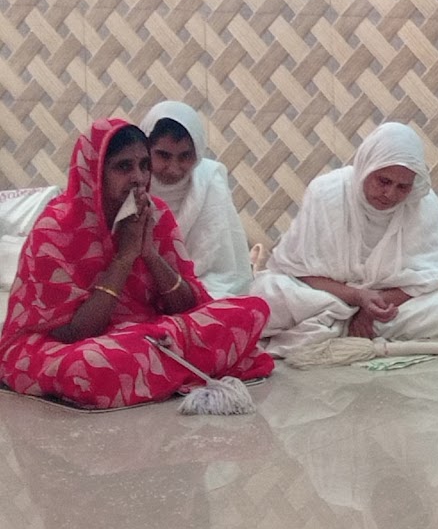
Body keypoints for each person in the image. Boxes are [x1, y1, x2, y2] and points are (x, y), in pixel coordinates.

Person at [0, 119, 274, 408]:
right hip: (73, 345)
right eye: (123, 167)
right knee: (91, 365)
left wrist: (150, 254)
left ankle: (156, 371)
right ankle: (175, 367)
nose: (138, 178)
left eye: (144, 165)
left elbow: (189, 307)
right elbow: (73, 333)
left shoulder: (156, 215)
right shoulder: (57, 227)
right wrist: (125, 256)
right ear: (94, 172)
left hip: (149, 335)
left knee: (251, 310)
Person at [251, 122, 438, 355]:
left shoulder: (421, 203)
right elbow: (298, 269)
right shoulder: (327, 192)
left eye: (402, 187)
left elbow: (437, 276)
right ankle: (352, 327)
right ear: (367, 166)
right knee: (267, 294)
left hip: (389, 304)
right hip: (329, 297)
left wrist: (371, 308)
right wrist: (356, 297)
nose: (390, 194)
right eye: (384, 181)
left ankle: (339, 329)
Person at [140, 101, 253, 297]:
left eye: (185, 156)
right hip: (141, 291)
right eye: (163, 156)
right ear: (146, 150)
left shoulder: (209, 181)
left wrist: (187, 294)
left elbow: (226, 273)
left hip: (203, 292)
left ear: (198, 152)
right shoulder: (133, 182)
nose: (174, 168)